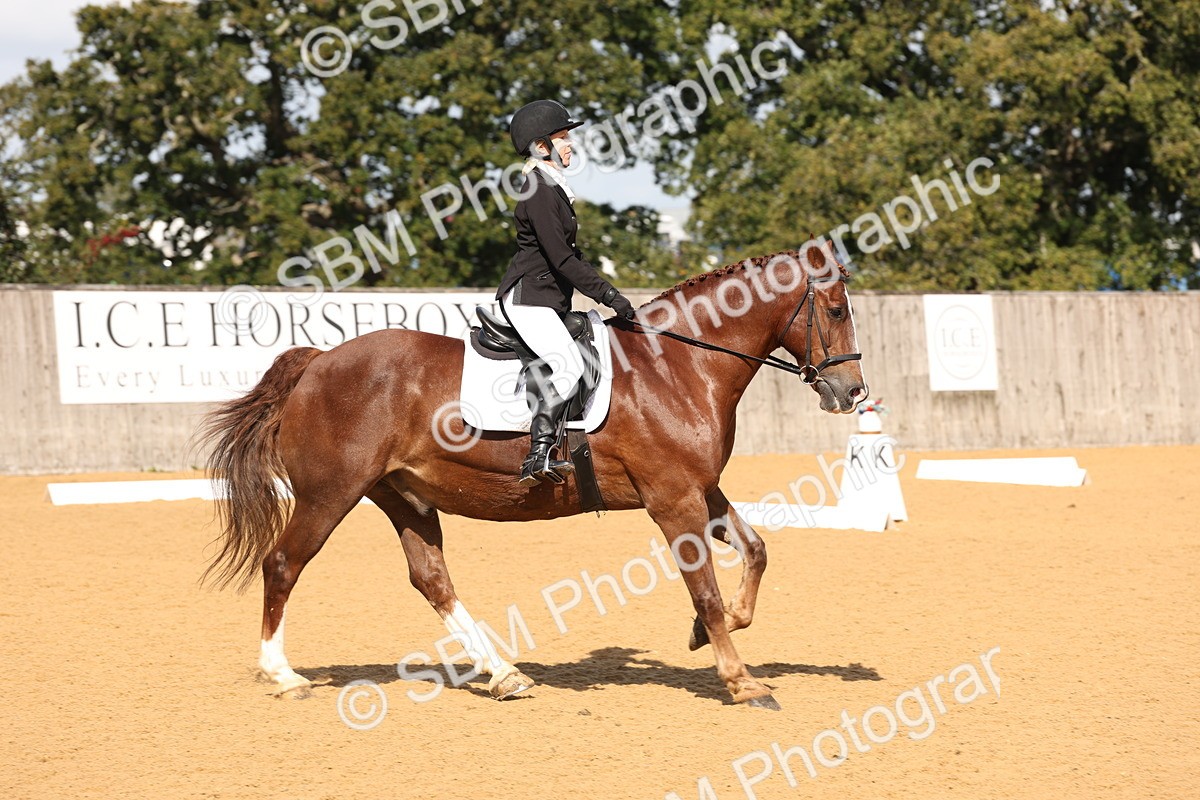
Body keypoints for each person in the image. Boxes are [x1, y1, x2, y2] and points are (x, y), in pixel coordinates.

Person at [496, 99, 636, 487]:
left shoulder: (552, 188)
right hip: (529, 300)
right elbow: (561, 259)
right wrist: (608, 295)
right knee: (568, 365)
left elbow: (573, 256)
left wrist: (604, 290)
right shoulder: (538, 190)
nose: (571, 143)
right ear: (542, 147)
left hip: (547, 299)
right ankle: (537, 456)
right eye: (563, 136)